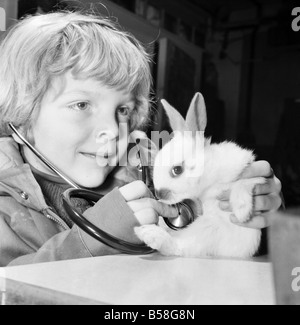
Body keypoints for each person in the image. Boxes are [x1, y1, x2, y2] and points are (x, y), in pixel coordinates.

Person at [0, 11, 282, 267]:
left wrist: (259, 217)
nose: (112, 130)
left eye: (122, 110)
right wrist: (91, 240)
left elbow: (211, 239)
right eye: (81, 105)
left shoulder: (148, 166)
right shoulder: (5, 209)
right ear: (23, 113)